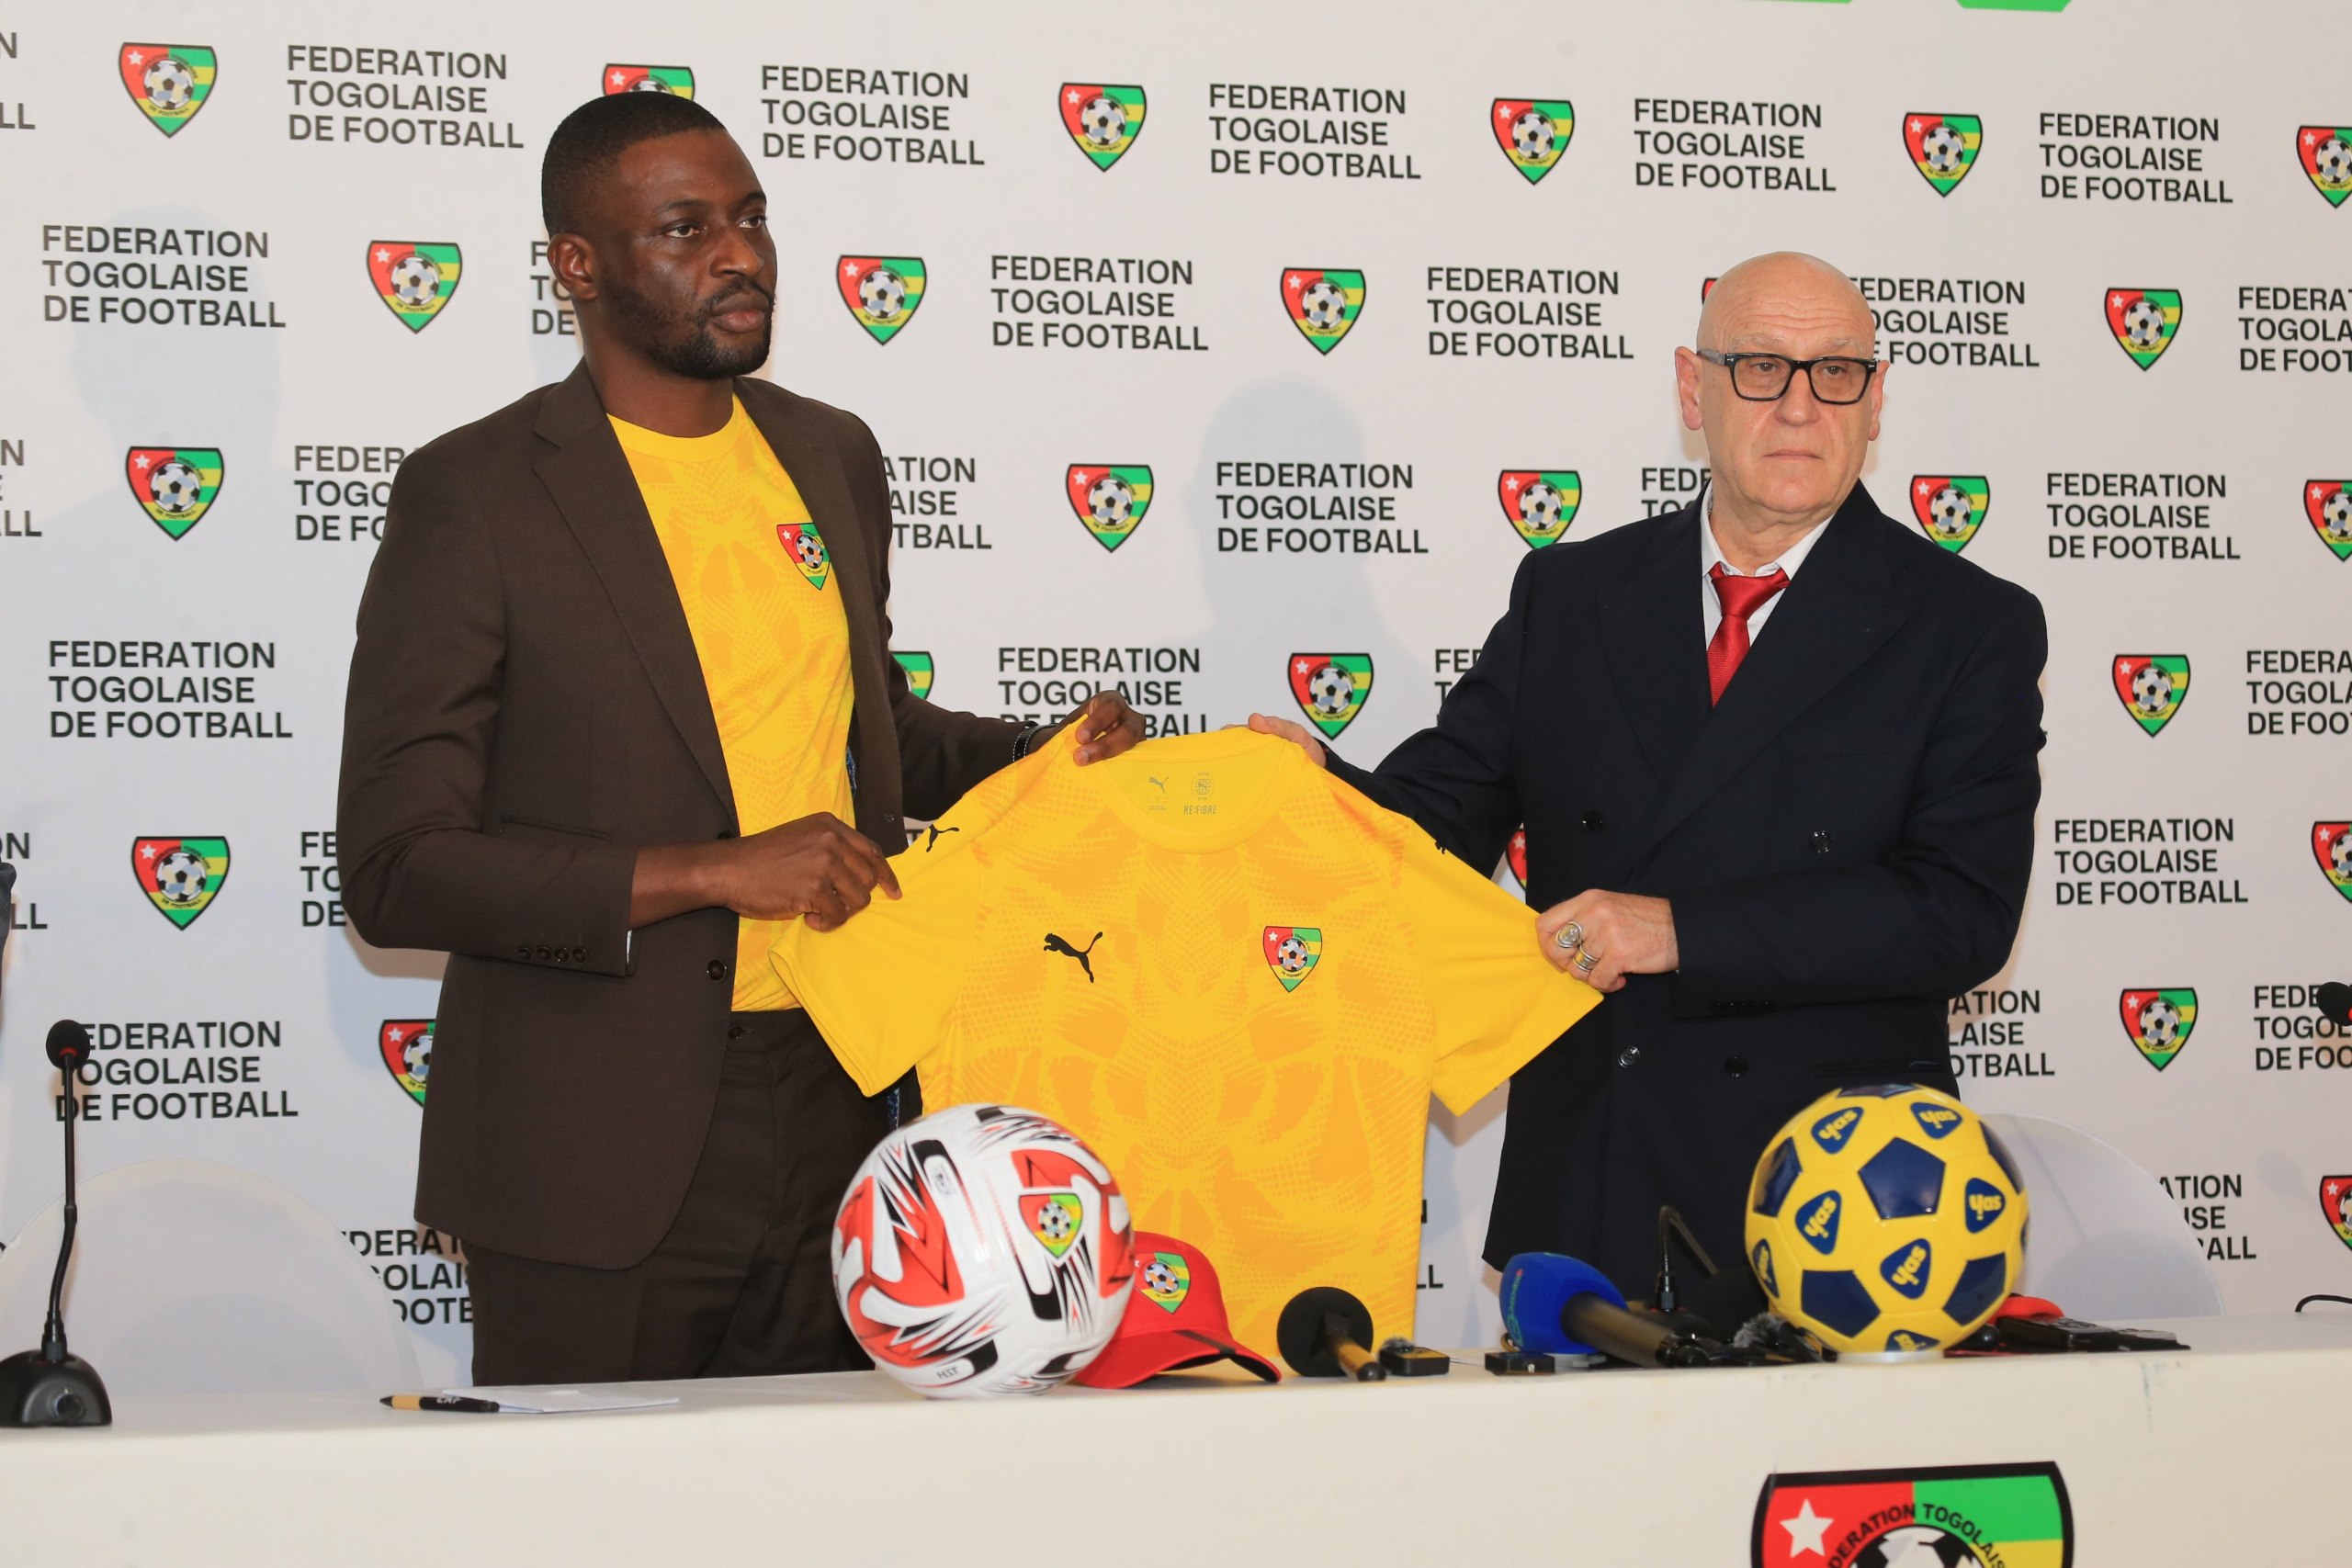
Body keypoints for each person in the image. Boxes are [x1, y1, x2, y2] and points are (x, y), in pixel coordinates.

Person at [337, 92, 1139, 1384]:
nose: (741, 254)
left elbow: (865, 728)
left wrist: (1048, 756)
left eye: (752, 217)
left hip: (841, 1093)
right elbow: (396, 864)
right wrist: (714, 869)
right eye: (685, 227)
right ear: (578, 266)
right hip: (592, 1138)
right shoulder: (475, 491)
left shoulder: (829, 453)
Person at [1250, 252, 2047, 1294]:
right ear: (1691, 386)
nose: (1800, 407)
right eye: (1761, 367)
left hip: (1840, 1212)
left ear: (1876, 396)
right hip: (1593, 1182)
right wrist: (1316, 791)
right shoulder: (1571, 593)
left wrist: (1679, 930)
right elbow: (1438, 816)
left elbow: (1959, 914)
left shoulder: (1966, 625)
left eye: (1835, 372)